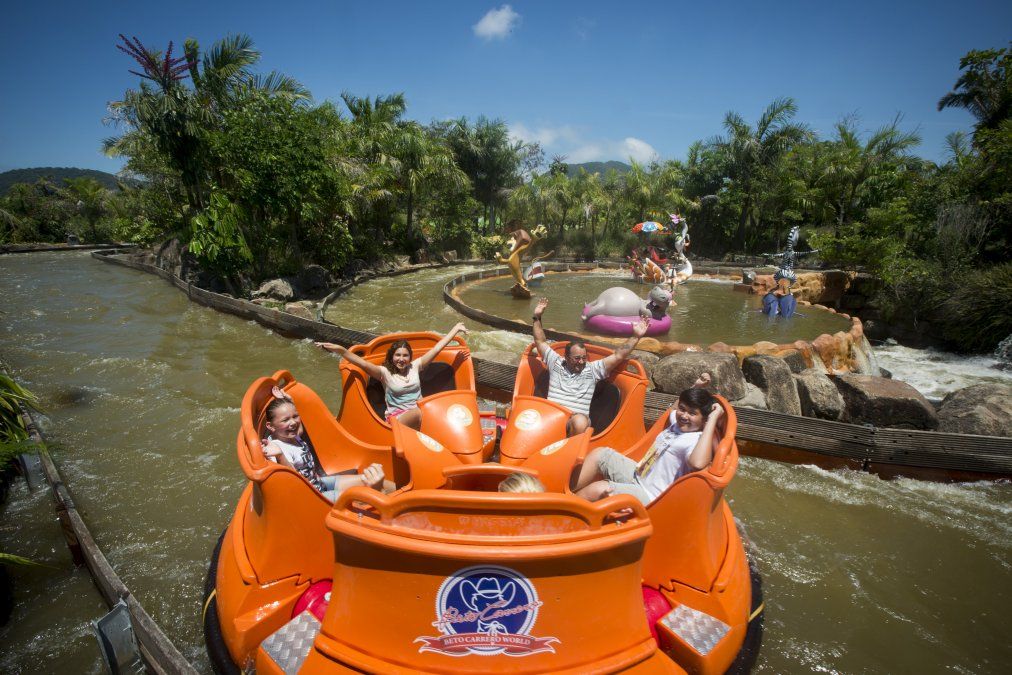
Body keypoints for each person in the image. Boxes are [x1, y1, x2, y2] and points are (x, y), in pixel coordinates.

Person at [571, 386, 723, 506]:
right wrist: (695, 387)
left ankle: (563, 515)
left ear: (704, 420)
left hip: (652, 496)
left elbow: (697, 463)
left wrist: (713, 419)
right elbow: (673, 410)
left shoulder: (695, 439)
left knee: (598, 489)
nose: (684, 415)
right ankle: (566, 493)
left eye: (692, 413)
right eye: (683, 409)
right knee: (601, 454)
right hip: (639, 474)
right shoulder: (678, 424)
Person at [315, 323, 468, 430]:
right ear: (392, 356)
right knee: (421, 412)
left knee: (444, 410)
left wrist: (455, 330)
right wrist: (340, 350)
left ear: (410, 357)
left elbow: (436, 350)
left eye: (405, 356)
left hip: (421, 412)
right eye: (398, 355)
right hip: (398, 419)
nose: (401, 359)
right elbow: (360, 362)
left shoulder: (415, 366)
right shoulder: (384, 373)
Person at [532, 298, 650, 436]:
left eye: (583, 358)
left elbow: (618, 355)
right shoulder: (555, 362)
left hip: (574, 422)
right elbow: (540, 341)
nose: (581, 362)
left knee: (580, 422)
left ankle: (567, 452)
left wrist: (636, 336)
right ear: (566, 357)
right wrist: (537, 317)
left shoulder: (593, 370)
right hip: (550, 417)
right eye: (577, 358)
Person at [262, 389, 394, 501]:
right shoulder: (276, 449)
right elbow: (290, 483)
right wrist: (279, 455)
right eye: (285, 419)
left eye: (295, 416)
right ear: (270, 426)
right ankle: (397, 508)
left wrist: (288, 400)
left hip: (319, 483)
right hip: (313, 497)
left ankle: (405, 495)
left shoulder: (292, 434)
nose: (293, 422)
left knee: (372, 480)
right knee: (365, 495)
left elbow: (298, 424)